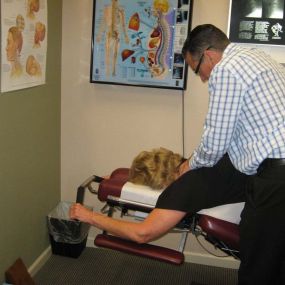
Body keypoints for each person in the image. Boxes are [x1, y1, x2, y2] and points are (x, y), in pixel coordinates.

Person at [70, 24, 285, 285]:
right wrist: (120, 177)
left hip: (276, 174)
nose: (203, 78)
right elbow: (237, 135)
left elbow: (142, 234)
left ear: (209, 55)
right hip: (267, 167)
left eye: (197, 70)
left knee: (259, 266)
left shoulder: (226, 70)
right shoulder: (256, 57)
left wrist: (89, 215)